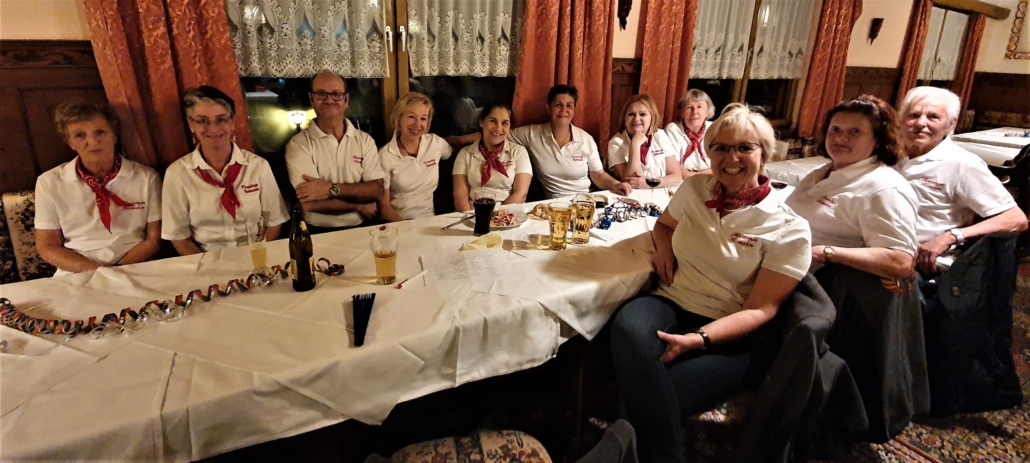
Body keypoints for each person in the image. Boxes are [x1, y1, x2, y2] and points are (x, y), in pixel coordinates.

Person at [609, 104, 812, 462]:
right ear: (709, 152)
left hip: (731, 331)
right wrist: (664, 248)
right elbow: (664, 225)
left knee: (637, 398)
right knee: (627, 326)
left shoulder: (788, 227)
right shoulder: (695, 188)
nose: (731, 158)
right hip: (671, 299)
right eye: (720, 148)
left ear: (765, 155)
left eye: (744, 147)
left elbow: (761, 309)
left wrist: (700, 338)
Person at [895, 86, 1027, 274]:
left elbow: (1015, 219)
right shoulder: (888, 155)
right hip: (878, 253)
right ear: (900, 120)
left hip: (921, 266)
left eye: (933, 117)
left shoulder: (962, 163)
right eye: (913, 115)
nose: (921, 123)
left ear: (951, 124)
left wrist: (952, 236)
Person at [786, 95, 917, 281]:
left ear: (878, 140)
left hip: (826, 287)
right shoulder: (820, 173)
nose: (840, 137)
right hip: (788, 271)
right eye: (835, 129)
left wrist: (826, 252)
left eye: (855, 131)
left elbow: (899, 262)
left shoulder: (884, 188)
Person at [35, 100, 162, 275]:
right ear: (70, 142)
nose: (93, 141)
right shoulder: (49, 182)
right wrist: (100, 272)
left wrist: (117, 272)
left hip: (134, 266)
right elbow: (47, 246)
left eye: (100, 132)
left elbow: (154, 239)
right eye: (80, 135)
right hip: (76, 271)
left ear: (115, 136)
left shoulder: (147, 177)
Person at [162, 86, 289, 254]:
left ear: (232, 121)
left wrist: (256, 257)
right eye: (202, 121)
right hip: (206, 258)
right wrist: (208, 265)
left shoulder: (258, 166)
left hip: (256, 254)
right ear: (191, 124)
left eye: (221, 119)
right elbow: (179, 237)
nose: (213, 128)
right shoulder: (177, 174)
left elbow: (274, 223)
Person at [285, 70, 386, 232]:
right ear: (311, 99)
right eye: (321, 94)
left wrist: (328, 189)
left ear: (346, 100)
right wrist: (358, 206)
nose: (329, 99)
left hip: (361, 227)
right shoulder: (298, 144)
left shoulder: (364, 140)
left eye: (336, 94)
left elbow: (376, 190)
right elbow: (310, 203)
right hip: (317, 230)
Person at [508, 84, 631, 198]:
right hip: (552, 204)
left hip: (585, 200)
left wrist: (616, 184)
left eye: (569, 106)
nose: (563, 110)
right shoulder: (532, 134)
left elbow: (598, 175)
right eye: (558, 105)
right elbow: (505, 135)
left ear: (574, 110)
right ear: (548, 108)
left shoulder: (586, 139)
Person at [376, 92, 453, 221]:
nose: (417, 125)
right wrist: (407, 227)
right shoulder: (385, 155)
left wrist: (474, 138)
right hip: (398, 222)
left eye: (423, 119)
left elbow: (454, 148)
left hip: (429, 220)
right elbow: (384, 207)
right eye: (411, 117)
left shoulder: (435, 143)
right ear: (399, 118)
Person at [452, 102, 533, 211]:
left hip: (508, 212)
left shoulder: (519, 152)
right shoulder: (465, 154)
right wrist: (471, 217)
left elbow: (521, 194)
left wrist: (497, 217)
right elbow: (460, 197)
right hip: (472, 213)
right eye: (493, 121)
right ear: (481, 122)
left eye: (504, 123)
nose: (498, 128)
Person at [607, 94, 682, 189]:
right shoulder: (615, 143)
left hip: (659, 192)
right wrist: (635, 144)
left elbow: (676, 177)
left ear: (652, 117)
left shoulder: (660, 135)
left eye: (642, 114)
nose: (636, 119)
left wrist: (649, 184)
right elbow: (631, 181)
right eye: (631, 114)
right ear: (624, 119)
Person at [665, 89, 715, 179]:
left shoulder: (715, 129)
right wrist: (701, 176)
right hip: (681, 181)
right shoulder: (672, 130)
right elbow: (674, 169)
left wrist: (695, 176)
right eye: (689, 107)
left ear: (707, 112)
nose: (694, 112)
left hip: (710, 179)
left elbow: (719, 167)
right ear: (682, 113)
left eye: (699, 106)